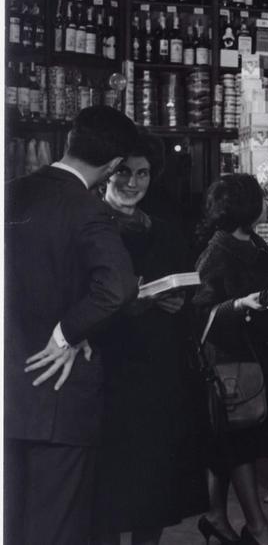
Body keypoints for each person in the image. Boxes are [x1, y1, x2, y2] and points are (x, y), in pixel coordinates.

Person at [4, 105, 140, 545]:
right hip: (59, 400)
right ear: (115, 166)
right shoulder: (86, 208)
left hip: (8, 392)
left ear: (69, 138)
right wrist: (68, 334)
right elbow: (118, 287)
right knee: (56, 531)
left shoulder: (11, 191)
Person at [91, 132, 208, 545]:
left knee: (156, 487)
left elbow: (187, 283)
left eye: (142, 173)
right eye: (124, 171)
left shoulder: (164, 228)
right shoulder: (88, 224)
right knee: (106, 491)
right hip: (109, 371)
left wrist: (178, 300)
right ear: (107, 172)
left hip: (159, 374)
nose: (133, 182)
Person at [191, 174, 268, 545]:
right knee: (238, 443)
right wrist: (237, 306)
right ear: (248, 207)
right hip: (226, 363)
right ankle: (258, 527)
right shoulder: (217, 252)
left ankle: (216, 516)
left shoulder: (253, 243)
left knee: (228, 443)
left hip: (247, 359)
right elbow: (199, 313)